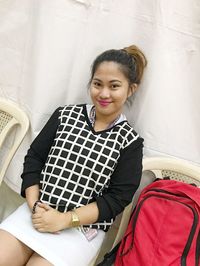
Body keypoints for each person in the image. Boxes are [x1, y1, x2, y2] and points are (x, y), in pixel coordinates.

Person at [0, 44, 147, 266]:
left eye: (114, 86)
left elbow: (117, 199)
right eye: (98, 84)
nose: (104, 93)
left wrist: (64, 220)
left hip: (80, 230)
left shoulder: (130, 142)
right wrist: (34, 205)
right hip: (36, 212)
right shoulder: (65, 115)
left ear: (131, 89)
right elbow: (34, 159)